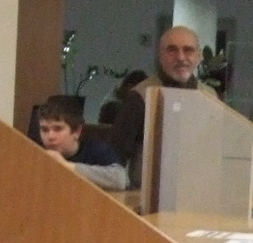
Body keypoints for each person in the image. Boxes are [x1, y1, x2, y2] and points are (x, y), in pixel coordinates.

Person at [111, 25, 219, 188]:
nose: (180, 57)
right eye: (172, 50)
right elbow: (115, 157)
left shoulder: (210, 97)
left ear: (199, 56)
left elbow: (213, 153)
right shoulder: (141, 96)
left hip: (197, 193)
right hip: (148, 195)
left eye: (188, 50)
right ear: (160, 56)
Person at [33, 98, 128, 192]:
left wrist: (65, 166)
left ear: (77, 132)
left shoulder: (96, 150)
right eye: (44, 130)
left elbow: (120, 180)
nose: (50, 137)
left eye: (58, 129)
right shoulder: (34, 153)